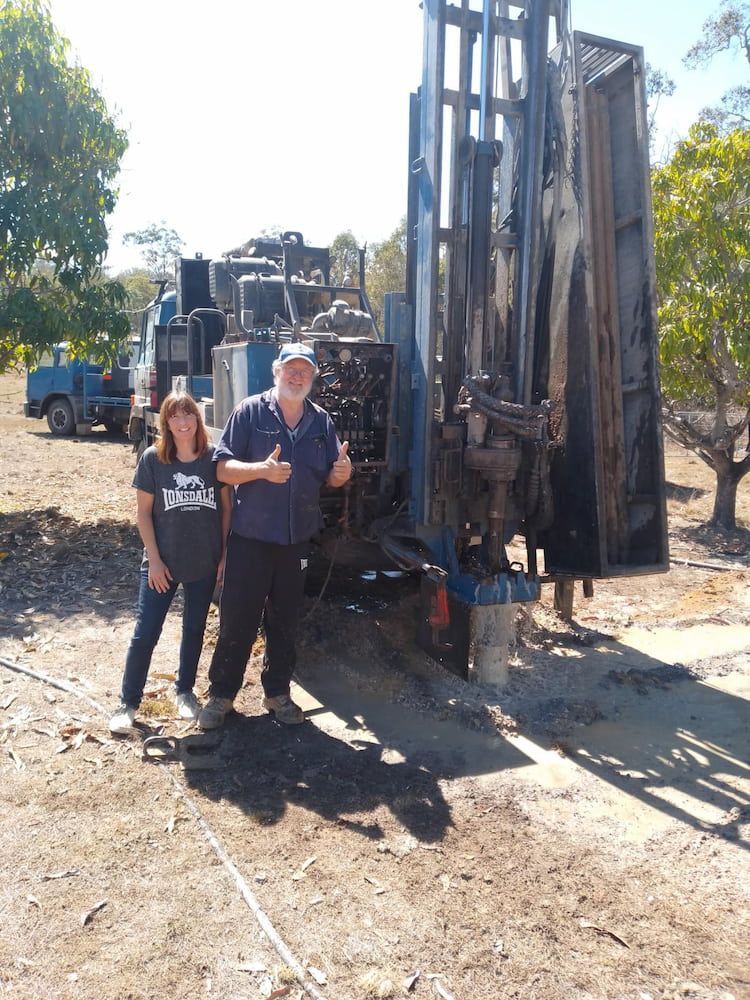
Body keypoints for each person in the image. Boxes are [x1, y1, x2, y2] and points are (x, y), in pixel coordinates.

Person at [197, 342, 352, 730]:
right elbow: (222, 469)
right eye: (290, 369)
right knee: (238, 618)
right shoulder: (249, 412)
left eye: (304, 371)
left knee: (285, 620)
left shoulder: (321, 422)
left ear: (313, 379)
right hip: (251, 537)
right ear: (276, 372)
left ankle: (278, 693)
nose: (297, 376)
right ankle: (221, 696)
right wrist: (259, 471)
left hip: (296, 540)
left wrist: (341, 474)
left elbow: (332, 475)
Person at [109, 391, 232, 734]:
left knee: (193, 630)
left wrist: (222, 555)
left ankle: (185, 692)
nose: (182, 422)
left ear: (197, 419)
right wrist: (155, 561)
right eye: (175, 417)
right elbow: (143, 514)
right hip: (162, 565)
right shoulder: (153, 460)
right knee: (145, 632)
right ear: (166, 422)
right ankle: (128, 702)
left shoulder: (212, 460)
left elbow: (227, 510)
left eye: (188, 415)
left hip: (203, 563)